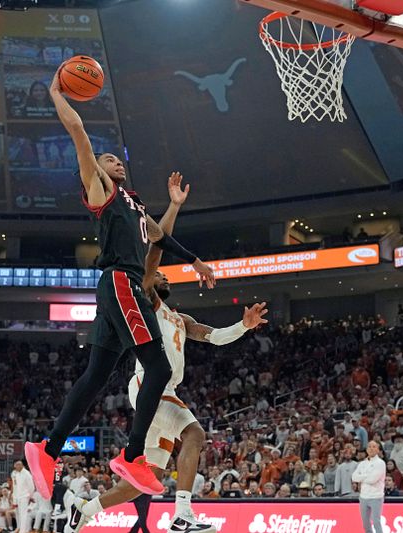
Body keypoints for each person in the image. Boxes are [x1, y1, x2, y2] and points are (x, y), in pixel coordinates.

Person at [25, 70, 215, 501]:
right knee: (160, 368)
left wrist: (187, 238)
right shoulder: (101, 190)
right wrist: (57, 93)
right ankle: (131, 456)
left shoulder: (135, 204)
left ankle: (47, 448)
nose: (117, 163)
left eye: (117, 160)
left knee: (96, 375)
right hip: (121, 281)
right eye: (111, 159)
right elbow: (79, 133)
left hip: (117, 287)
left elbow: (159, 237)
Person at [65, 173, 267, 533]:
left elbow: (214, 337)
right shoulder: (145, 297)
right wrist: (173, 207)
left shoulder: (179, 317)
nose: (165, 279)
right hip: (149, 386)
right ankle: (182, 515)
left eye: (166, 278)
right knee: (195, 436)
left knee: (151, 475)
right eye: (161, 277)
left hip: (162, 391)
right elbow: (155, 245)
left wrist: (244, 327)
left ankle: (87, 507)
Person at [351, 440, 386, 533]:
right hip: (363, 497)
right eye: (369, 446)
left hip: (376, 497)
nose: (371, 448)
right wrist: (366, 476)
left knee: (376, 522)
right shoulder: (362, 463)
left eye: (374, 447)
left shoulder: (380, 463)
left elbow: (372, 480)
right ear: (366, 449)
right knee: (366, 524)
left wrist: (361, 477)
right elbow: (354, 477)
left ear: (378, 450)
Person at [10, 461, 35, 533]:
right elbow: (15, 486)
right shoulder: (16, 474)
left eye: (16, 466)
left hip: (25, 496)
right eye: (14, 467)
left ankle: (23, 531)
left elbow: (31, 486)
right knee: (20, 514)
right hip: (18, 496)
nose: (15, 468)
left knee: (23, 514)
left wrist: (30, 496)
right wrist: (14, 497)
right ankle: (22, 529)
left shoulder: (27, 474)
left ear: (20, 465)